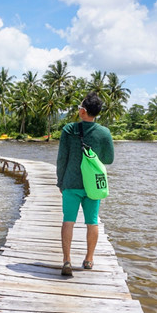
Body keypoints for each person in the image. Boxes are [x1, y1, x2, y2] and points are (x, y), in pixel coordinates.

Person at [56, 92, 114, 276]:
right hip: (93, 186)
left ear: (82, 112)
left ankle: (67, 260)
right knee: (92, 221)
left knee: (68, 221)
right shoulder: (104, 133)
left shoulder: (68, 130)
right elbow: (109, 159)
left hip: (71, 183)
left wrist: (60, 182)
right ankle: (89, 260)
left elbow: (61, 159)